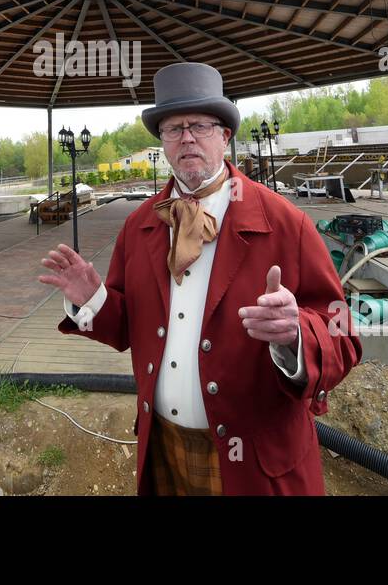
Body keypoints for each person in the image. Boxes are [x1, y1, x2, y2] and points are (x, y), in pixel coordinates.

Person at [38, 62, 360, 494]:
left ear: (225, 136)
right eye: (173, 128)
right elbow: (128, 329)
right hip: (163, 451)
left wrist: (296, 334)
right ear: (163, 144)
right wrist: (91, 300)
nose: (186, 137)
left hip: (254, 466)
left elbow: (343, 331)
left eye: (200, 126)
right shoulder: (139, 226)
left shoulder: (287, 223)